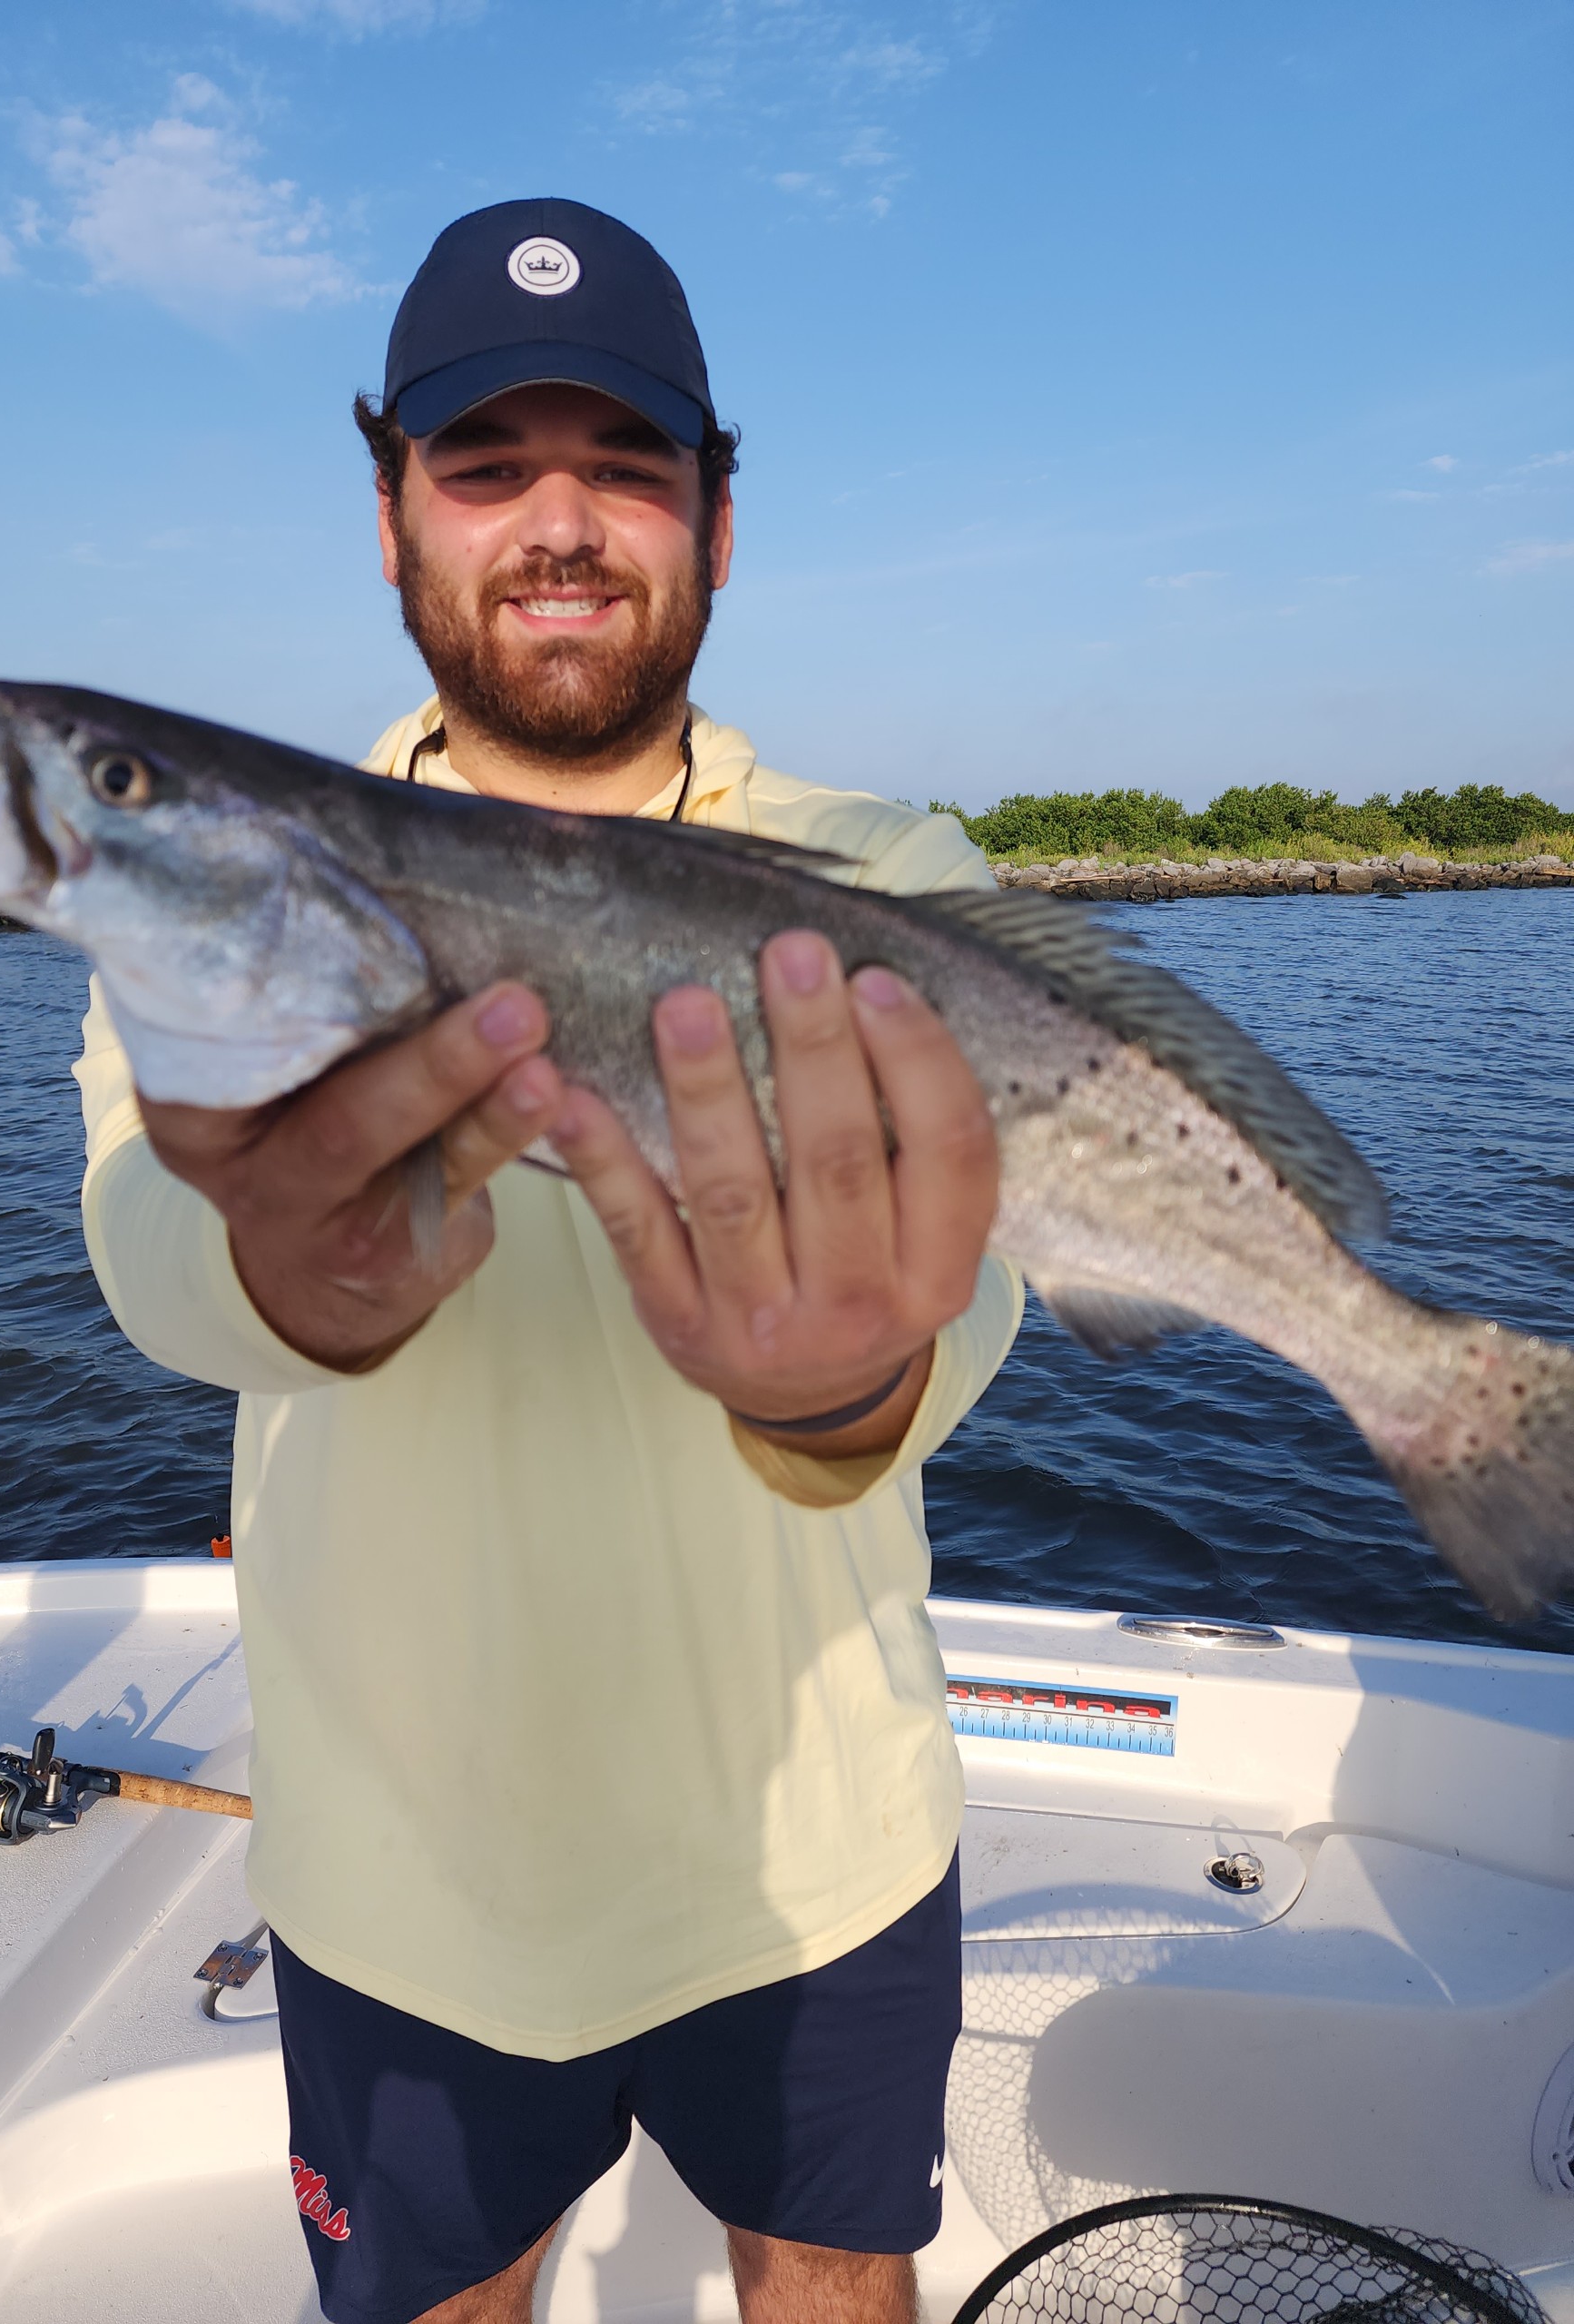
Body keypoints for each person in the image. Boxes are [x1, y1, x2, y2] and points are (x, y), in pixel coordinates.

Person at [75, 197, 1023, 2324]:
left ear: (718, 516)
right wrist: (292, 1268)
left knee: (837, 2289)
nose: (562, 521)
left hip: (820, 1852)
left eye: (628, 461)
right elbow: (147, 1245)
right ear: (390, 513)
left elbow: (993, 1283)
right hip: (402, 1876)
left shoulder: (896, 875)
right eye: (487, 462)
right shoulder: (241, 872)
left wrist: (851, 1388)